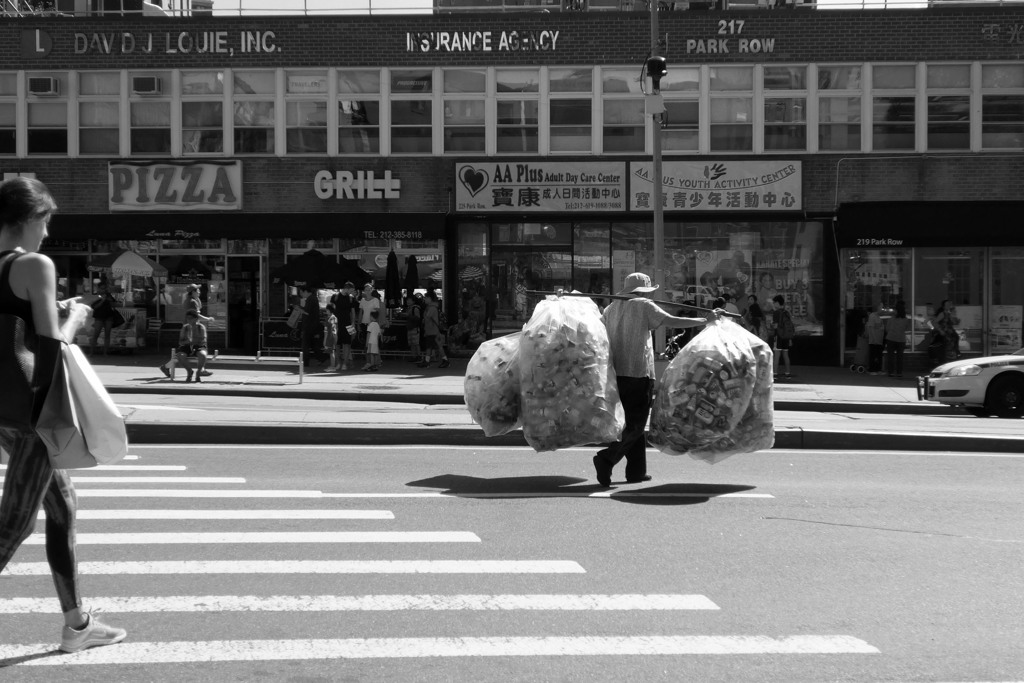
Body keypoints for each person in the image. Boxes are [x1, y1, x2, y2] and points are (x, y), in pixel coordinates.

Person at [0, 176, 127, 653]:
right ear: (30, 218)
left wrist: (51, 310)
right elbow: (53, 347)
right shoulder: (35, 263)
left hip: (6, 408)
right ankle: (77, 625)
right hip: (35, 411)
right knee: (13, 524)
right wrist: (76, 317)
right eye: (46, 221)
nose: (47, 233)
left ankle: (78, 623)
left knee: (62, 504)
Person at [592, 272, 710, 487]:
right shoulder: (644, 304)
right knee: (636, 425)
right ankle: (607, 458)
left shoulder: (611, 307)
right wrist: (704, 319)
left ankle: (636, 471)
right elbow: (671, 321)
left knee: (632, 423)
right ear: (644, 290)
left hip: (617, 373)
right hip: (638, 372)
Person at [159, 283, 214, 379]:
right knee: (192, 348)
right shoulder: (192, 301)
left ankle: (167, 367)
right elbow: (196, 316)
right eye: (197, 290)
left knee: (189, 350)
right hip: (191, 329)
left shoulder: (190, 300)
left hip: (190, 327)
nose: (199, 292)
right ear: (193, 292)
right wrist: (208, 319)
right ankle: (166, 367)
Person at [174, 309, 208, 383]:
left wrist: (195, 341)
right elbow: (180, 342)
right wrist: (187, 342)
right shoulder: (185, 327)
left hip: (198, 346)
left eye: (190, 318)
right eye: (187, 318)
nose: (188, 320)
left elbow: (204, 340)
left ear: (196, 319)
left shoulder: (201, 327)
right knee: (180, 355)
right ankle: (189, 371)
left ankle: (198, 372)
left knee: (202, 355)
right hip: (187, 346)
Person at [419, 290, 450, 369]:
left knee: (436, 346)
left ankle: (444, 360)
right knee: (431, 346)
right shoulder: (432, 307)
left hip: (433, 331)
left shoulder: (432, 308)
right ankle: (428, 361)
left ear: (430, 298)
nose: (425, 299)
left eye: (426, 298)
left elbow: (427, 318)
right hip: (431, 330)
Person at [332, 282, 356, 371]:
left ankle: (345, 363)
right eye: (351, 290)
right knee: (337, 344)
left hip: (348, 324)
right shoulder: (335, 296)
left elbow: (353, 312)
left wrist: (353, 324)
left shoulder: (351, 298)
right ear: (347, 288)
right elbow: (332, 309)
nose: (352, 292)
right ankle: (339, 363)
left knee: (347, 344)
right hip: (337, 324)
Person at [88, 282, 117, 356]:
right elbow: (94, 307)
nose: (104, 290)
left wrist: (110, 300)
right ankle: (91, 352)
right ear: (98, 288)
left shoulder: (109, 295)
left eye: (105, 288)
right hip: (99, 316)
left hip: (108, 316)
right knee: (96, 334)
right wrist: (102, 300)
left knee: (107, 334)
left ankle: (105, 352)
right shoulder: (95, 296)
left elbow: (113, 305)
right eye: (102, 288)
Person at [884, 301, 911, 378]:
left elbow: (887, 329)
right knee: (900, 357)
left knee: (891, 356)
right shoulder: (905, 319)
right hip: (901, 339)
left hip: (891, 338)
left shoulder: (891, 319)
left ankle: (891, 372)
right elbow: (907, 328)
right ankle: (899, 372)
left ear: (897, 310)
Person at [769, 294, 794, 380]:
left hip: (778, 336)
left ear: (777, 303)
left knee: (777, 355)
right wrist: (790, 338)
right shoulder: (787, 313)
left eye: (774, 302)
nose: (773, 304)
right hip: (786, 337)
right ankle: (788, 373)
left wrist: (771, 325)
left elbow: (775, 326)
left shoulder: (776, 313)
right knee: (786, 355)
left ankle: (775, 374)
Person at [933, 299, 960, 364]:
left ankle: (952, 360)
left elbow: (954, 322)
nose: (949, 306)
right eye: (947, 304)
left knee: (952, 348)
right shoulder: (942, 314)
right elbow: (934, 322)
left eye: (950, 304)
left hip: (951, 335)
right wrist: (940, 330)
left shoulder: (950, 314)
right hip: (945, 335)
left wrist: (956, 320)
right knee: (946, 349)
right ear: (944, 306)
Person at [865, 302, 888, 375]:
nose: (882, 309)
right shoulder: (872, 316)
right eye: (881, 307)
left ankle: (878, 369)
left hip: (880, 339)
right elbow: (871, 328)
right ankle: (872, 370)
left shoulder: (880, 317)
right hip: (874, 340)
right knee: (873, 355)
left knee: (879, 355)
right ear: (878, 307)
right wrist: (874, 339)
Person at [405, 292, 423, 363]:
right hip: (410, 327)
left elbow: (418, 318)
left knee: (416, 343)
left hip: (415, 328)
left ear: (413, 301)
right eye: (407, 300)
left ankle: (418, 356)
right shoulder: (409, 308)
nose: (407, 302)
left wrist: (408, 316)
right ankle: (414, 356)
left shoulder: (415, 308)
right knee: (411, 343)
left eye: (409, 300)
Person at [323, 302, 339, 372]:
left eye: (327, 310)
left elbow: (326, 331)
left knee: (331, 352)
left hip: (329, 336)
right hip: (334, 335)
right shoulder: (335, 318)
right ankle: (333, 365)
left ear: (329, 310)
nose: (326, 311)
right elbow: (336, 328)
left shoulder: (328, 319)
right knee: (332, 351)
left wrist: (324, 340)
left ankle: (333, 367)